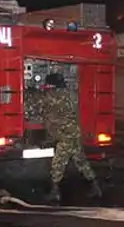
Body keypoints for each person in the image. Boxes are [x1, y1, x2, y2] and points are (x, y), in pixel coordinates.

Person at [25, 72, 101, 203]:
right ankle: (96, 187)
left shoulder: (51, 96)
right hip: (74, 132)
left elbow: (37, 102)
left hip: (65, 135)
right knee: (81, 161)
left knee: (58, 163)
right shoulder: (72, 94)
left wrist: (30, 91)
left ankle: (54, 192)